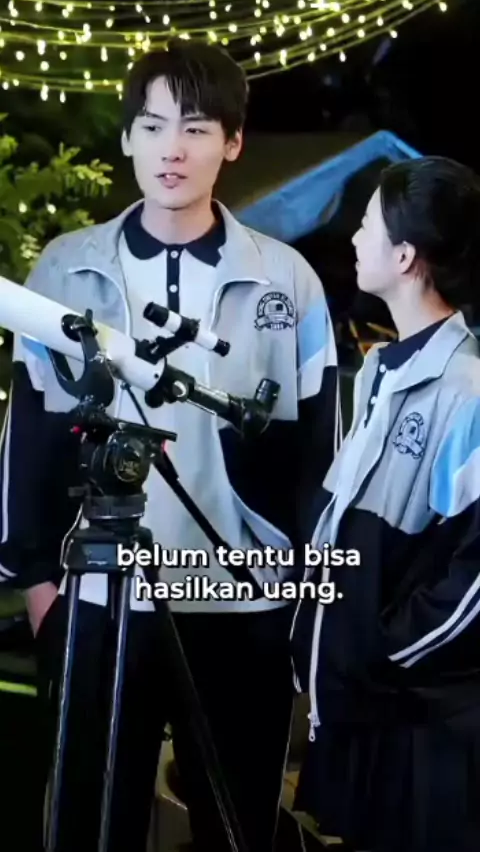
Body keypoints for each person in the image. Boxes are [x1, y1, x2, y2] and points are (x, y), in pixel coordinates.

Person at [0, 41, 340, 852]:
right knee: (88, 821)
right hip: (98, 599)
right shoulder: (67, 268)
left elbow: (318, 454)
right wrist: (39, 585)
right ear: (127, 138)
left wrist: (304, 596)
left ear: (233, 141)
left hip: (242, 602)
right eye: (152, 127)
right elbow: (30, 440)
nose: (172, 149)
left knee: (238, 824)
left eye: (195, 128)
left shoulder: (287, 280)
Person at [291, 156, 480, 852]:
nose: (352, 238)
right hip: (362, 718)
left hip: (424, 735)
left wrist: (382, 648)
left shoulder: (467, 389)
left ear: (405, 256)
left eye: (366, 224)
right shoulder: (378, 372)